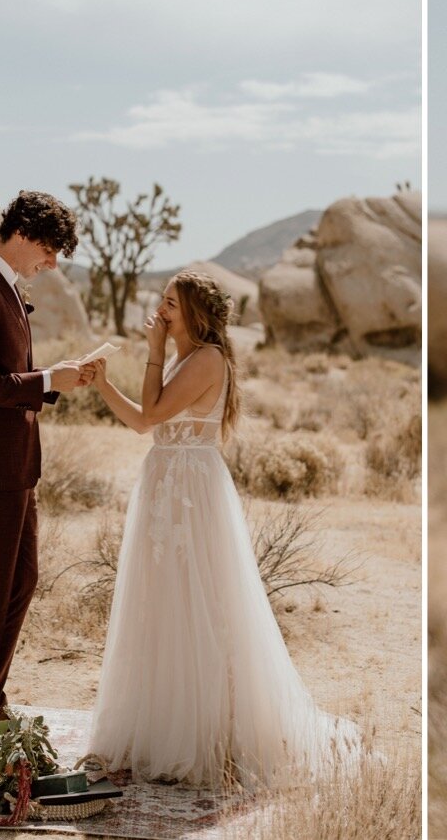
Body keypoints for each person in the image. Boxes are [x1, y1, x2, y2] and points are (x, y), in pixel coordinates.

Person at [83, 270, 359, 789]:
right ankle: (161, 720)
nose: (161, 310)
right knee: (161, 602)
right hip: (166, 481)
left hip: (189, 490)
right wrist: (102, 383)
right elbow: (148, 426)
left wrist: (154, 349)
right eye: (161, 300)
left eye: (171, 303)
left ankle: (205, 731)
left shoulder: (206, 358)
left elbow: (151, 413)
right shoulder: (185, 357)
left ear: (195, 313)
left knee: (198, 603)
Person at [0, 190, 93, 755]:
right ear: (26, 233)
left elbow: (2, 377)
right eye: (52, 251)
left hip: (14, 467)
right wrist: (48, 380)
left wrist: (53, 379)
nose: (52, 264)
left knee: (19, 582)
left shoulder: (1, 287)